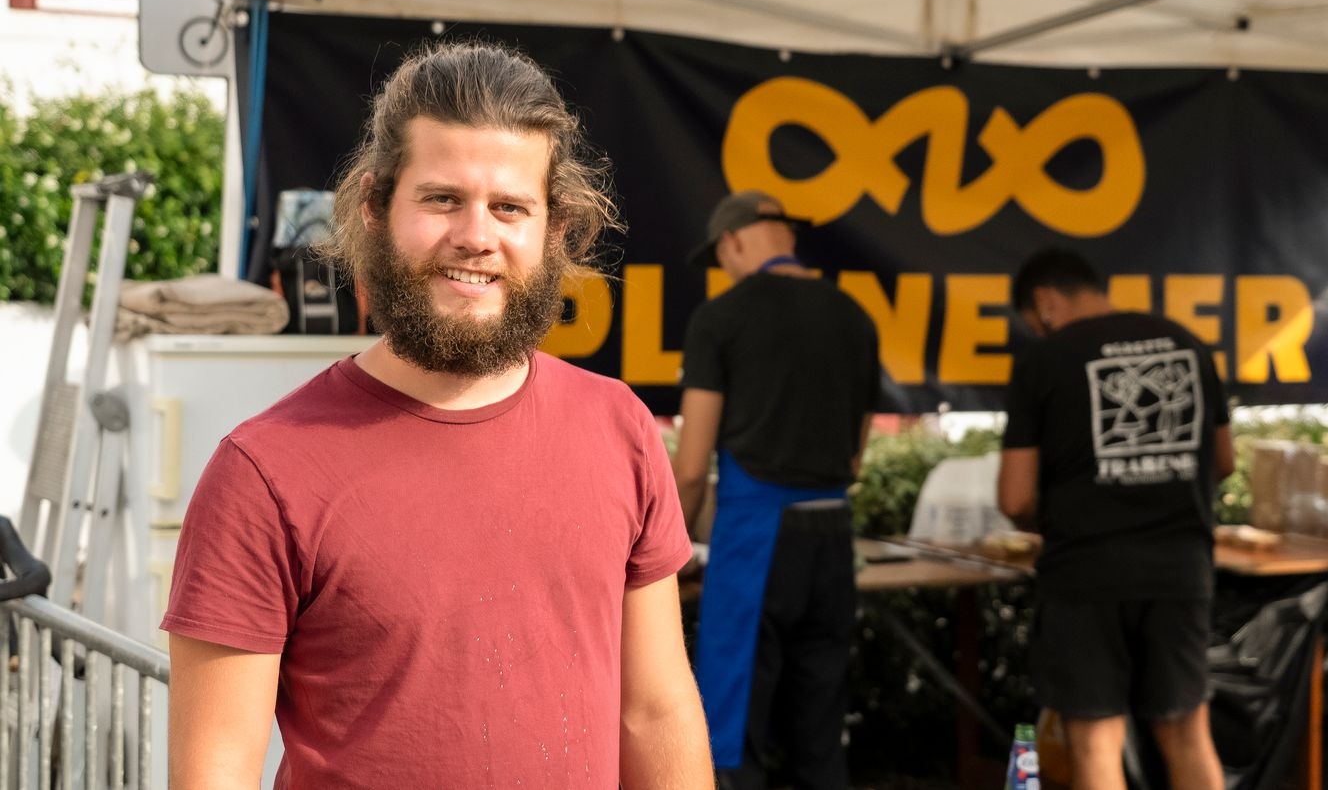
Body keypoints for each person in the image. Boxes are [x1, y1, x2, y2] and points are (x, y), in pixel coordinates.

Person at [162, 42, 712, 789]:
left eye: (510, 207)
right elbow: (214, 773)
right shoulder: (265, 472)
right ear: (373, 205)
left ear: (554, 230)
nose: (477, 236)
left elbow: (654, 711)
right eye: (442, 198)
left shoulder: (619, 427)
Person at [997, 247, 1233, 790]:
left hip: (1086, 572)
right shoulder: (1187, 344)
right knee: (1187, 735)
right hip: (1179, 569)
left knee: (1095, 740)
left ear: (1045, 302)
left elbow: (1013, 497)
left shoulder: (1045, 359)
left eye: (1034, 323)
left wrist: (1052, 513)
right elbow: (1224, 462)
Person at [673, 190, 881, 790]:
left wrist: (676, 548)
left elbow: (690, 467)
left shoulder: (722, 318)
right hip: (832, 541)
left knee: (731, 735)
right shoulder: (855, 317)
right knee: (820, 732)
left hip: (755, 542)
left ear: (733, 241)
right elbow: (856, 455)